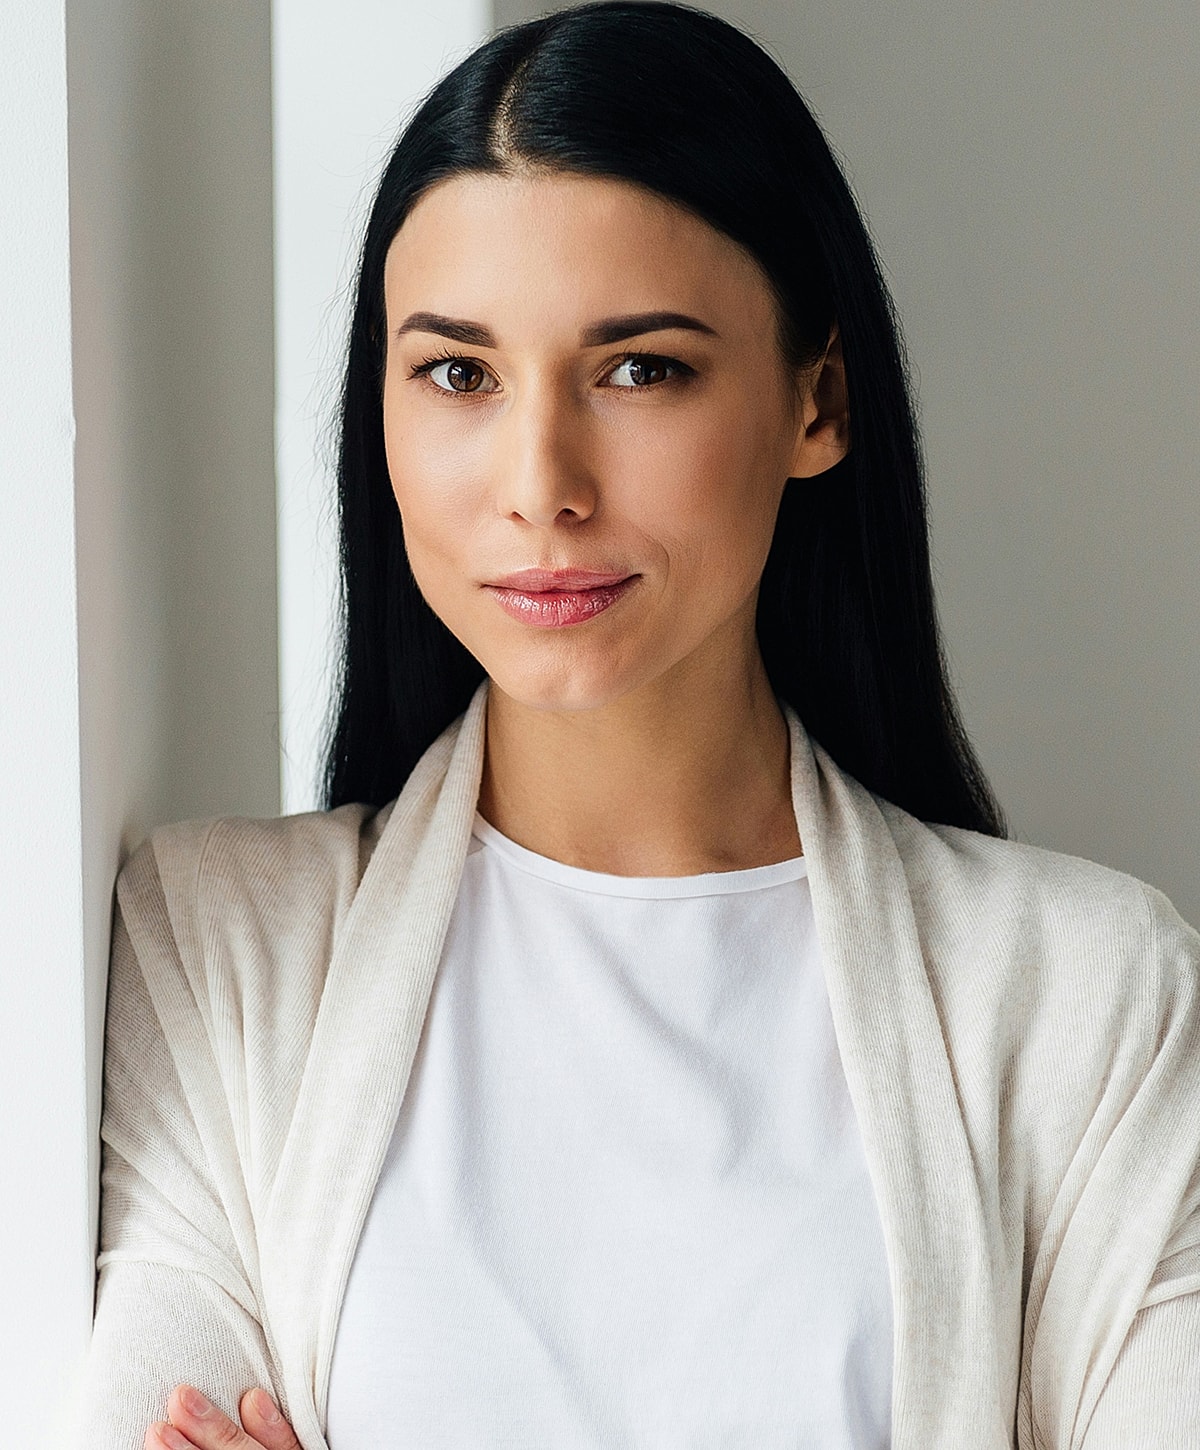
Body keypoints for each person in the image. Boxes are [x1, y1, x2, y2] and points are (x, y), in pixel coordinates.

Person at [78, 3, 1200, 1448]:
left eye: (639, 368)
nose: (540, 484)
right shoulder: (216, 956)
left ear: (820, 401)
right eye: (458, 374)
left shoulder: (1096, 1006)